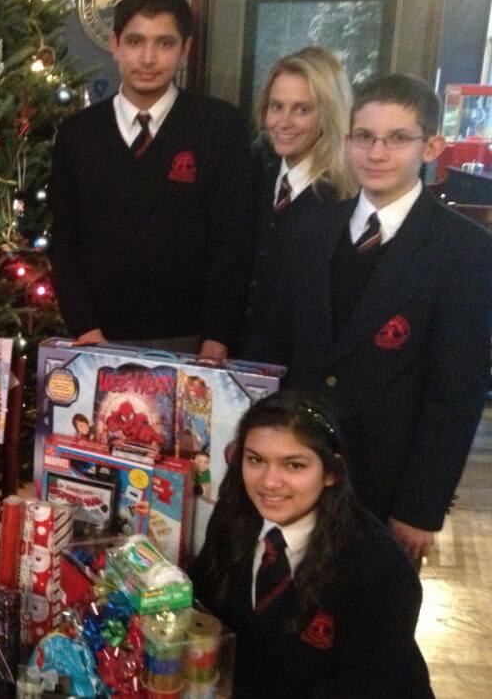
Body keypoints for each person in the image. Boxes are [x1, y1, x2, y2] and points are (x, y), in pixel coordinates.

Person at [246, 74, 492, 560]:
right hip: (292, 471)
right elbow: (270, 346)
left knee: (369, 619)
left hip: (385, 479)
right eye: (364, 137)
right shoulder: (310, 228)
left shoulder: (466, 250)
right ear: (347, 140)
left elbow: (455, 391)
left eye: (398, 138)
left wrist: (421, 506)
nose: (376, 153)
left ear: (431, 146)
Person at [48, 0, 254, 358]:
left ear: (185, 50)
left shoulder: (221, 127)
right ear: (115, 44)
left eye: (164, 43)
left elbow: (234, 244)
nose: (147, 58)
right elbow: (65, 241)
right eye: (135, 41)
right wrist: (85, 328)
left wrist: (217, 338)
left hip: (193, 341)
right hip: (98, 338)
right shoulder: (78, 133)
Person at [190, 391, 432, 697]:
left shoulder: (378, 567)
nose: (270, 482)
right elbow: (202, 609)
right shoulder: (233, 518)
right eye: (256, 460)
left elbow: (369, 684)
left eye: (294, 465)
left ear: (331, 472)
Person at [239, 47, 355, 353]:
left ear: (328, 114)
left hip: (302, 381)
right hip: (241, 367)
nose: (284, 121)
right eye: (276, 106)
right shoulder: (254, 180)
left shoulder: (346, 201)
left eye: (302, 109)